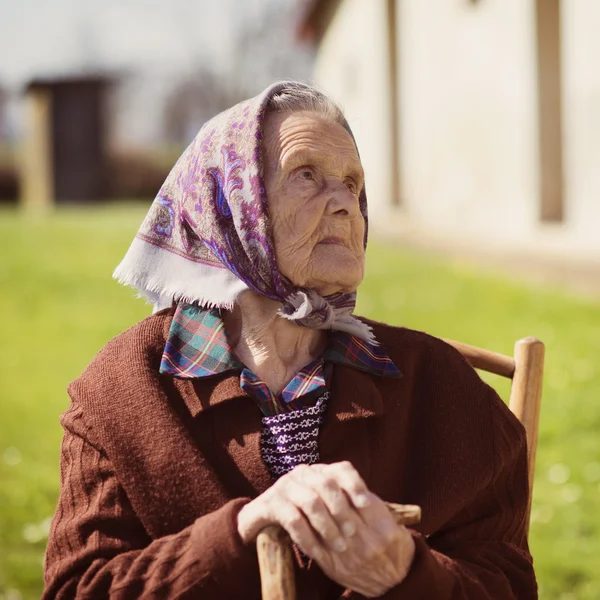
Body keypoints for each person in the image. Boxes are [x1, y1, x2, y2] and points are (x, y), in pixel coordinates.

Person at [43, 81, 537, 599]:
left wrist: (409, 575)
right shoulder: (124, 391)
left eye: (352, 183)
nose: (347, 204)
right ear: (229, 207)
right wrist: (241, 531)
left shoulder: (440, 385)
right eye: (306, 176)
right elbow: (79, 588)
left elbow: (506, 585)